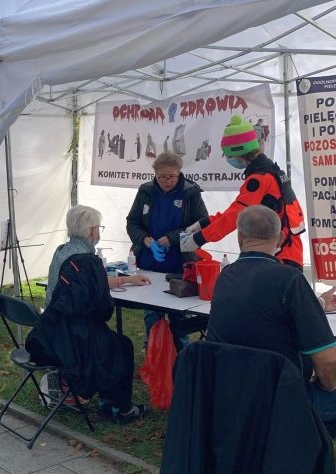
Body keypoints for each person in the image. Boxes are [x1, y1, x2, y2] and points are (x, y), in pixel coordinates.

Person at [207, 205, 336, 437]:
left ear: (239, 237)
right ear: (279, 238)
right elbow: (327, 360)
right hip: (282, 398)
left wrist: (316, 303)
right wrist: (328, 388)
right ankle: (311, 454)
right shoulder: (289, 279)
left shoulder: (225, 276)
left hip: (231, 393)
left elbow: (262, 307)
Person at [27, 205, 151, 424]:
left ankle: (102, 399)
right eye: (98, 227)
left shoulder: (62, 252)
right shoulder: (88, 261)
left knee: (112, 343)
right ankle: (119, 409)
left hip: (52, 330)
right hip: (75, 338)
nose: (99, 232)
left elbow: (86, 286)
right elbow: (103, 310)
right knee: (122, 346)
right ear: (91, 231)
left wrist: (126, 280)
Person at [181, 114, 305, 270]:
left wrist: (199, 238)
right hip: (286, 248)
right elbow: (236, 209)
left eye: (228, 155)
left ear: (238, 154)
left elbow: (235, 216)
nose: (228, 159)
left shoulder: (258, 180)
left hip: (280, 254)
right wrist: (203, 223)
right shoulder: (271, 171)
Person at [126, 151, 208, 349]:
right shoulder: (146, 191)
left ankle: (182, 356)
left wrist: (172, 238)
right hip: (150, 263)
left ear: (179, 173)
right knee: (151, 314)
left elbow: (203, 224)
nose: (167, 181)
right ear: (155, 175)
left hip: (180, 265)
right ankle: (154, 355)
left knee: (179, 316)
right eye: (161, 177)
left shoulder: (190, 192)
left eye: (171, 176)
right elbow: (132, 222)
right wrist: (145, 240)